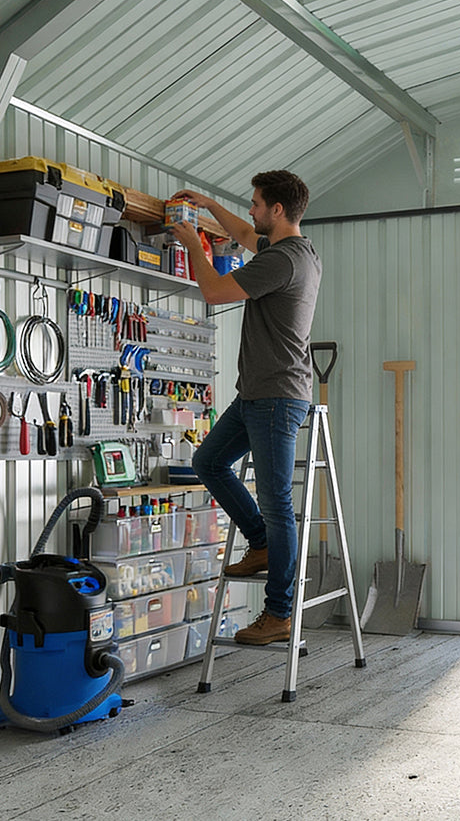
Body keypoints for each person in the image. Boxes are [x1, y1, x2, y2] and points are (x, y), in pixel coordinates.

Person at [169, 171, 319, 646]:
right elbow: (242, 234)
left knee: (278, 505)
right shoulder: (294, 251)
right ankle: (261, 544)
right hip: (256, 392)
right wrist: (210, 204)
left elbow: (214, 292)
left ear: (276, 210)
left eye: (256, 203)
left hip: (276, 396)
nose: (251, 210)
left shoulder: (283, 261)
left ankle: (278, 613)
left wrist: (195, 244)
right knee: (207, 461)